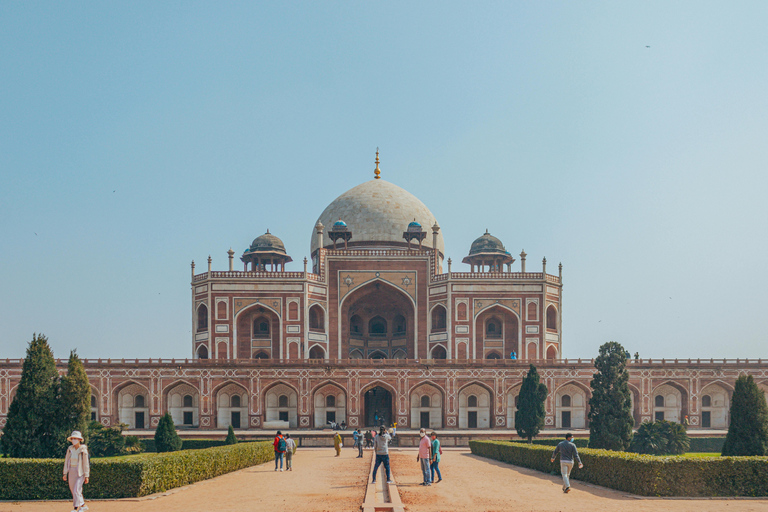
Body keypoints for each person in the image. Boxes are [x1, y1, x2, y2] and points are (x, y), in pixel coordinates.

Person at [62, 430, 90, 512]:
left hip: (80, 472)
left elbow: (86, 463)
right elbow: (67, 461)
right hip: (71, 471)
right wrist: (65, 473)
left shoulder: (83, 449)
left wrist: (86, 475)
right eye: (73, 438)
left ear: (79, 440)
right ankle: (78, 507)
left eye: (75, 438)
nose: (74, 440)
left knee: (76, 490)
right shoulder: (70, 449)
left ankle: (81, 506)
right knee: (73, 490)